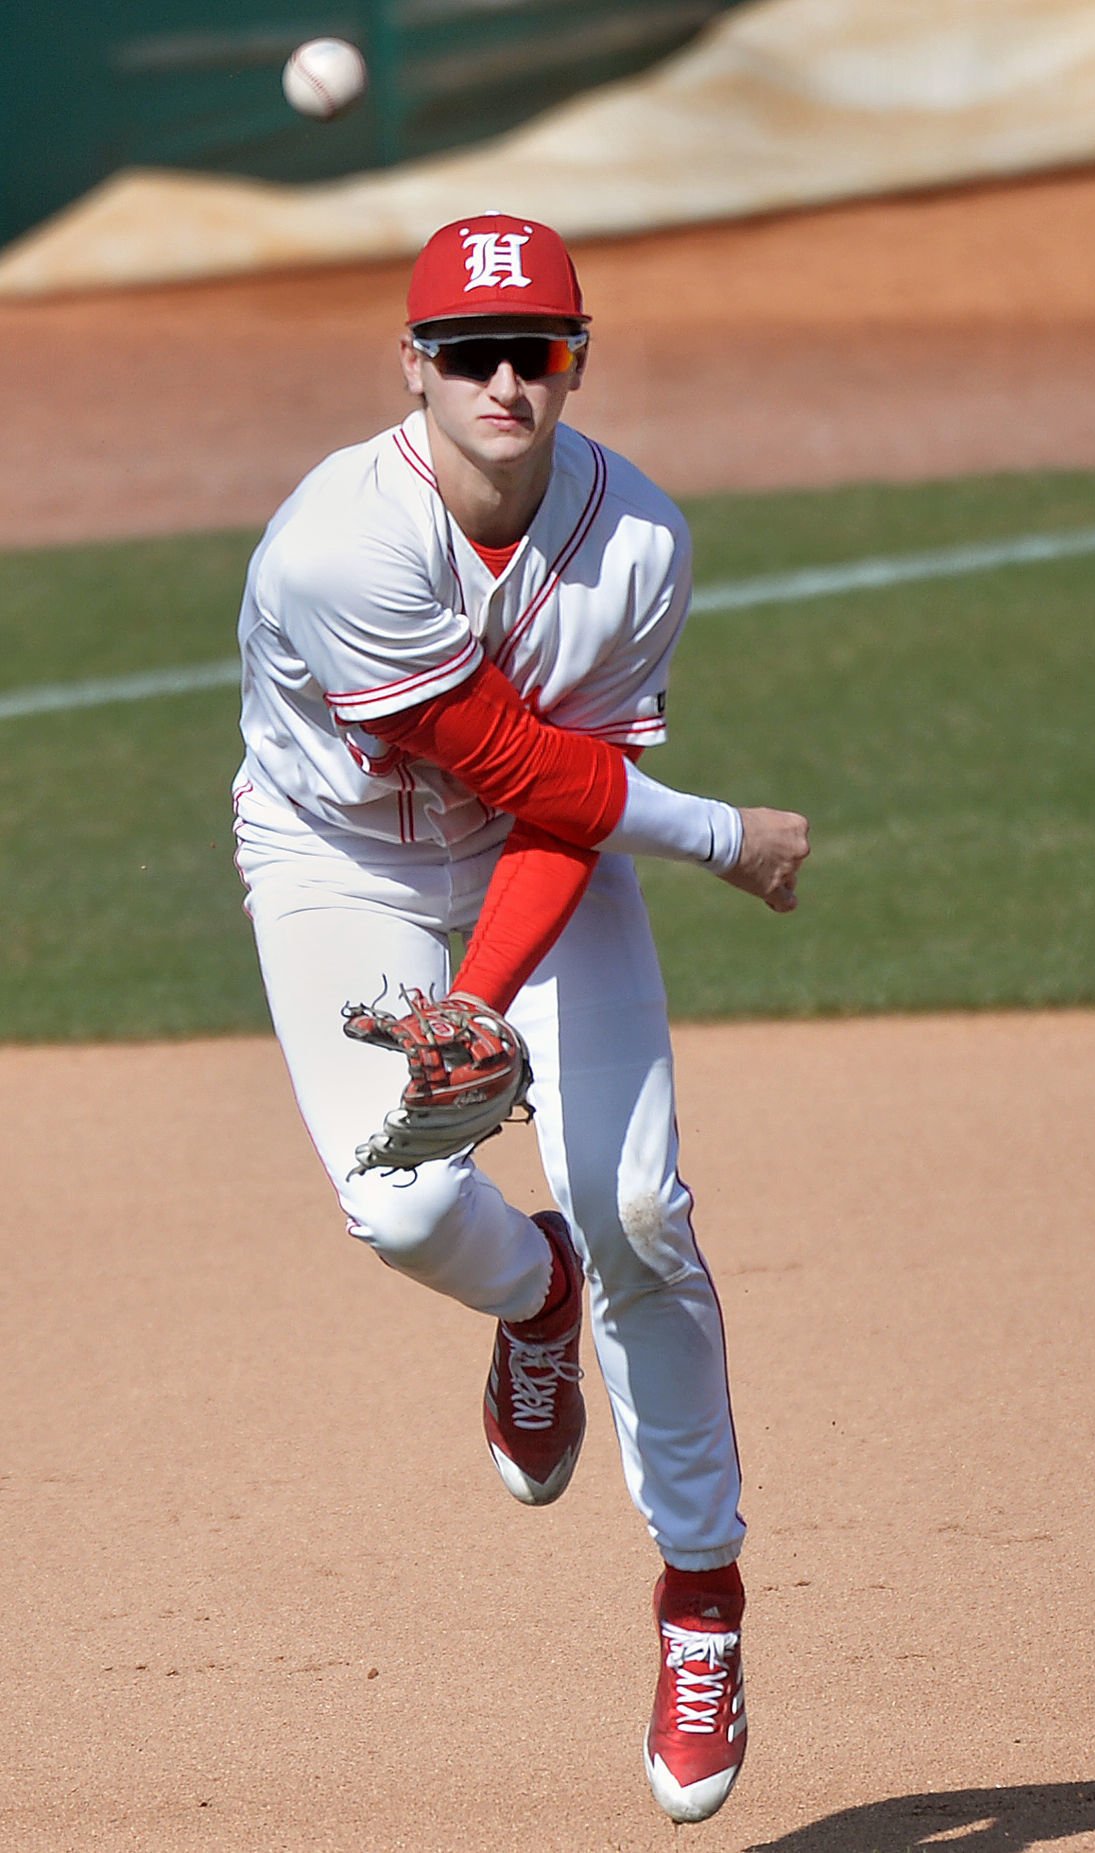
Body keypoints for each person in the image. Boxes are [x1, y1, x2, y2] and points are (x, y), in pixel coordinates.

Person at [232, 212, 809, 1825]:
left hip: (542, 874)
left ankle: (701, 1595)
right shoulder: (335, 543)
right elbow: (509, 753)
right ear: (413, 365)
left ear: (575, 362)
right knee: (401, 1209)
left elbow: (558, 815)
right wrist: (724, 834)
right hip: (333, 861)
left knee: (641, 1206)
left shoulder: (637, 543)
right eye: (471, 350)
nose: (504, 377)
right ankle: (531, 1292)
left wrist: (483, 990)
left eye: (535, 350)